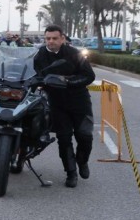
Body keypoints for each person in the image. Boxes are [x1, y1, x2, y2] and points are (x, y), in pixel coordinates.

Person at [33, 24, 95, 188]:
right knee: (64, 138)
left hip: (79, 100)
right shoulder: (39, 55)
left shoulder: (74, 53)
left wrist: (68, 82)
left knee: (85, 136)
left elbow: (89, 75)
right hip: (57, 103)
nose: (51, 41)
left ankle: (82, 161)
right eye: (48, 38)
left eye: (54, 38)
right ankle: (71, 173)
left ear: (62, 39)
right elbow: (35, 75)